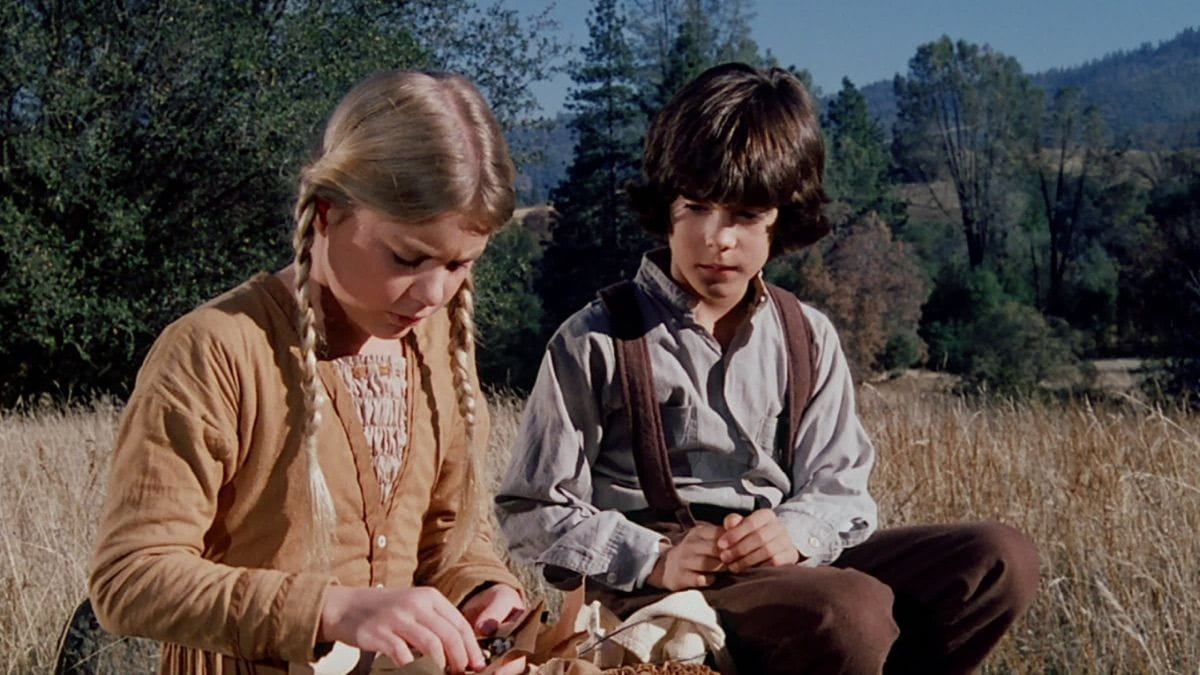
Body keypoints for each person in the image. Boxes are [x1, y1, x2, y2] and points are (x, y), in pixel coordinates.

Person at [494, 62, 1039, 674]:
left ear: (782, 215)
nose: (718, 239)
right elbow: (531, 509)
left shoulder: (808, 335)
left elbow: (841, 489)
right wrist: (651, 556)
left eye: (746, 215)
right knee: (850, 609)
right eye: (698, 207)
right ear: (666, 206)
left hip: (790, 574)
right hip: (660, 588)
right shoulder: (595, 339)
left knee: (1000, 558)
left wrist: (795, 532)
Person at [89, 70, 527, 675]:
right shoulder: (218, 348)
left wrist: (482, 595)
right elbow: (130, 578)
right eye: (407, 256)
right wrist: (328, 609)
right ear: (326, 213)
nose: (432, 291)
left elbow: (445, 543)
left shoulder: (439, 340)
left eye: (460, 264)